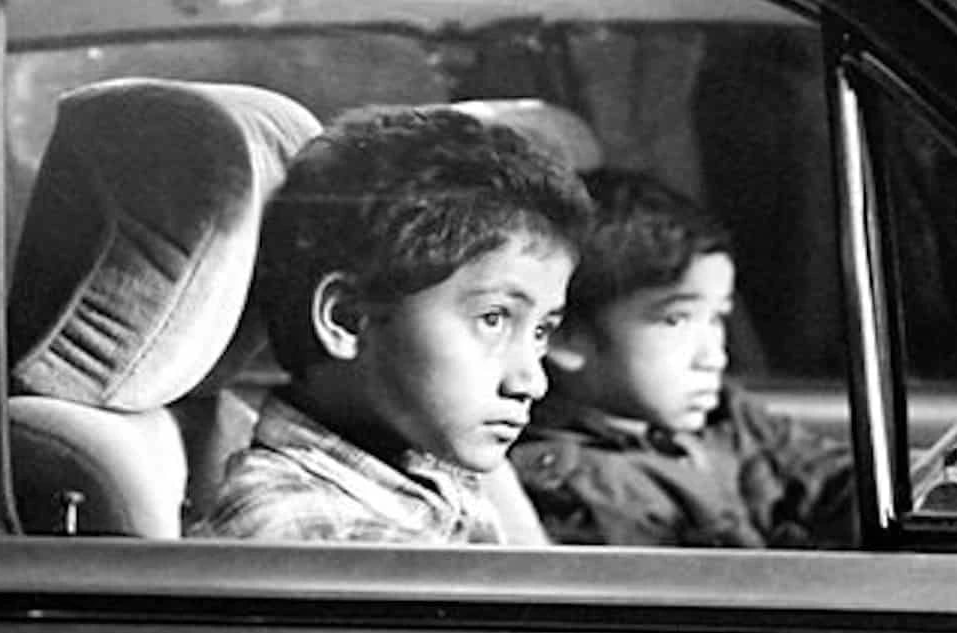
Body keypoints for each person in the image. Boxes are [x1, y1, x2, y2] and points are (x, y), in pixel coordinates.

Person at [192, 105, 591, 543]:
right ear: (346, 319)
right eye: (493, 319)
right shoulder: (312, 532)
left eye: (540, 332)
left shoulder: (430, 471)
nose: (532, 382)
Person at [511, 168, 853, 548]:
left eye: (717, 317)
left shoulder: (727, 418)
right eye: (675, 320)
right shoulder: (585, 488)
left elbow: (828, 474)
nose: (714, 357)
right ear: (566, 338)